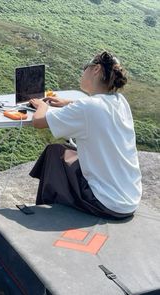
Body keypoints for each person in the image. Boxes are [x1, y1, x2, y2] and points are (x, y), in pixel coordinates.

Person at [29, 51, 142, 219]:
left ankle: (45, 215)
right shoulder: (120, 101)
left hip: (105, 203)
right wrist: (67, 103)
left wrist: (41, 105)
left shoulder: (87, 107)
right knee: (70, 153)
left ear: (96, 69)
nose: (83, 72)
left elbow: (38, 122)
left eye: (85, 68)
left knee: (55, 153)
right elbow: (94, 107)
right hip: (130, 199)